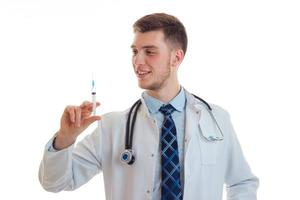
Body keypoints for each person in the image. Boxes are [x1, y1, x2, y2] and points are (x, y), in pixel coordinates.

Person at [39, 13, 259, 200]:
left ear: (176, 58)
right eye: (135, 51)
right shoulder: (112, 127)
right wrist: (64, 139)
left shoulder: (216, 119)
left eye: (149, 52)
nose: (138, 61)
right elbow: (56, 183)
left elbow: (242, 182)